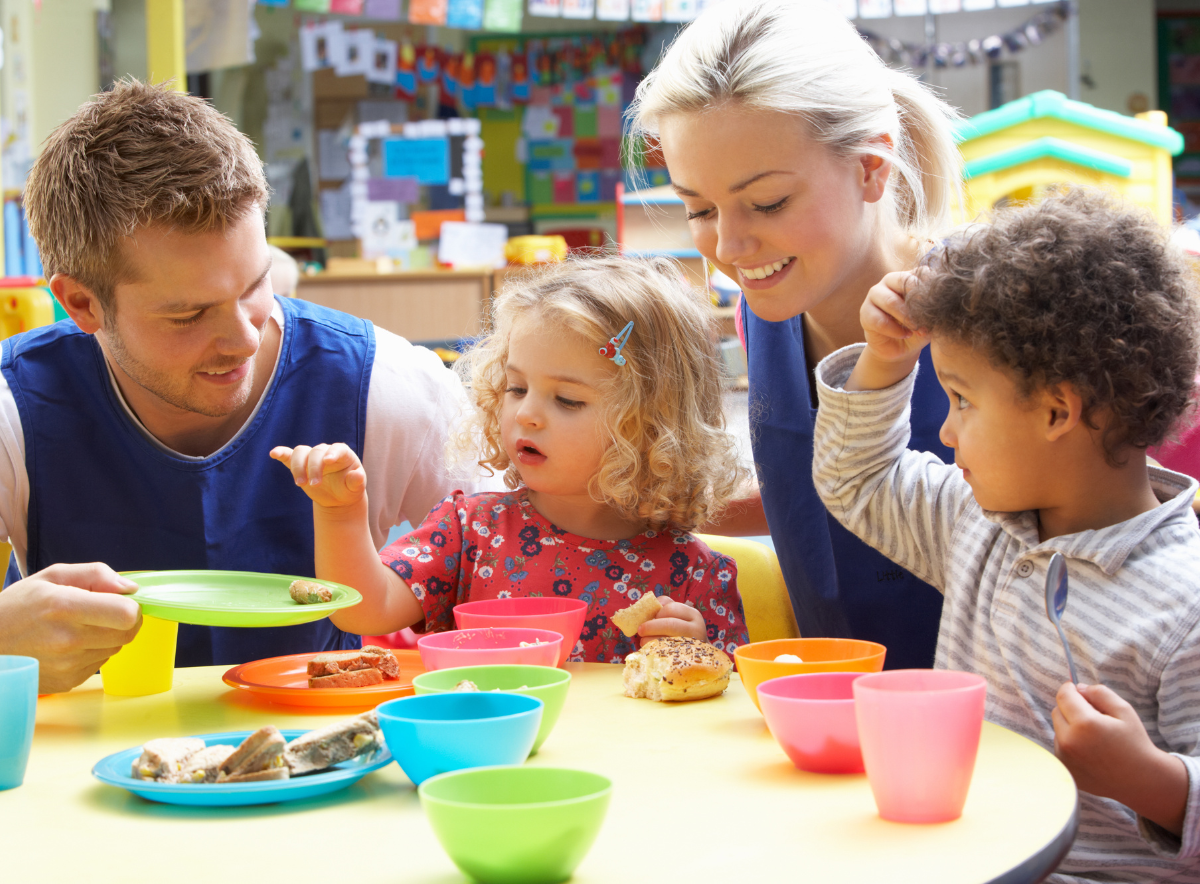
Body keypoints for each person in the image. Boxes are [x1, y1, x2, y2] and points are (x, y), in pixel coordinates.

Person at [0, 80, 478, 689]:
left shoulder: (389, 382)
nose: (245, 339)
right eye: (188, 315)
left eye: (255, 287)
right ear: (81, 304)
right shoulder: (14, 407)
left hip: (325, 759)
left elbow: (520, 570)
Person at [812, 190, 1200, 882]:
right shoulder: (977, 522)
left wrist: (1150, 780)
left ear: (1058, 410)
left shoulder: (1185, 604)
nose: (945, 430)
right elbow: (856, 480)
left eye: (961, 399)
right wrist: (885, 360)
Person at [627, 0, 963, 668]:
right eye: (697, 208)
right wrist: (637, 500)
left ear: (872, 168)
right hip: (829, 715)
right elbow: (814, 493)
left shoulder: (988, 312)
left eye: (769, 202)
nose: (729, 245)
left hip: (994, 731)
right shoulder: (767, 307)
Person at [271, 256, 749, 662]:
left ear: (653, 429)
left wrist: (697, 650)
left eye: (567, 400)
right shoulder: (469, 531)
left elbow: (722, 713)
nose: (526, 413)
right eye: (516, 387)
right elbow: (363, 610)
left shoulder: (697, 575)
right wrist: (340, 514)